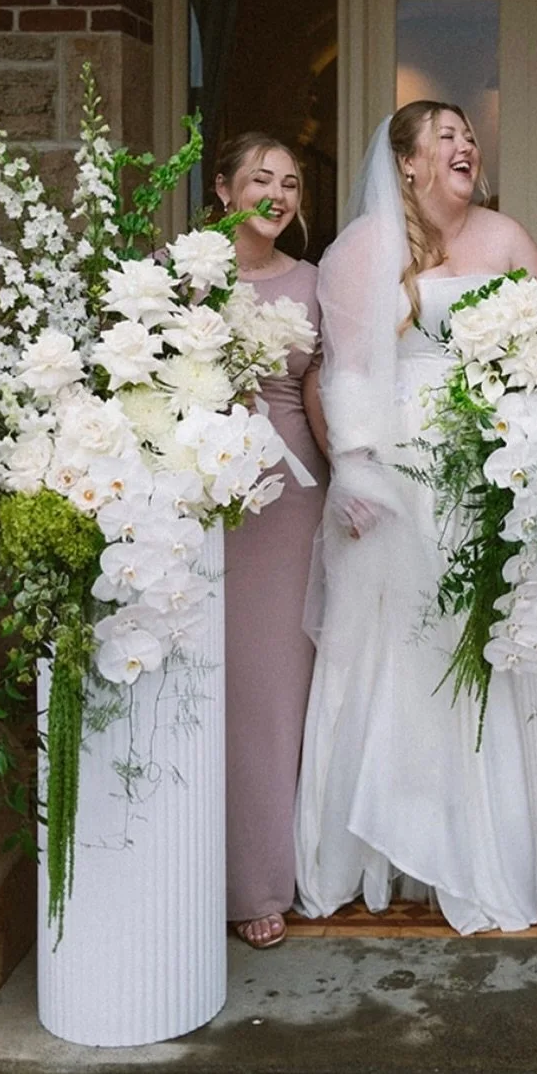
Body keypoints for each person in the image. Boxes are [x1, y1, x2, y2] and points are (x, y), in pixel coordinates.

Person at [294, 101, 537, 932]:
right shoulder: (363, 249)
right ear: (405, 162)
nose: (467, 146)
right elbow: (344, 372)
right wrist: (352, 471)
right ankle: (393, 842)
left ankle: (503, 842)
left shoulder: (504, 237)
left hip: (494, 462)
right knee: (401, 643)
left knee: (490, 629)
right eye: (447, 137)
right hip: (397, 474)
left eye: (470, 136)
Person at [216, 133, 328, 950]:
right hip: (198, 500)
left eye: (290, 183)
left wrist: (352, 478)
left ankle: (261, 876)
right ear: (223, 190)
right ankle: (189, 862)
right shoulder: (179, 272)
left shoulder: (313, 281)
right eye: (262, 179)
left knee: (274, 687)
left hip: (288, 505)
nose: (279, 194)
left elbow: (320, 388)